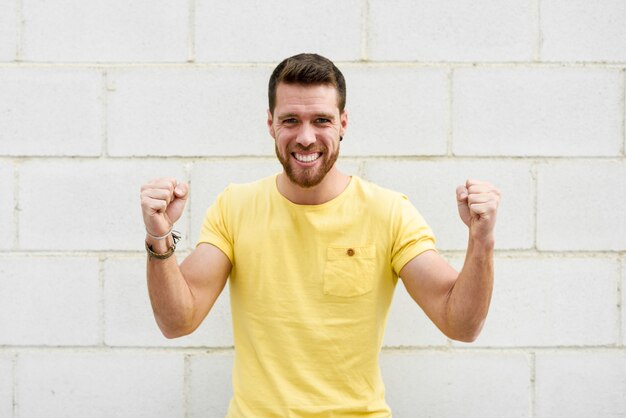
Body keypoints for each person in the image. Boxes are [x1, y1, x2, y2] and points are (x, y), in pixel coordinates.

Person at [140, 53, 500, 417]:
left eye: (322, 120)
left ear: (343, 123)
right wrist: (159, 239)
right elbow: (177, 322)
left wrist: (481, 241)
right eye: (291, 120)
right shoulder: (235, 207)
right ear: (270, 124)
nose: (306, 137)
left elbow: (461, 324)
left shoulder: (389, 212)